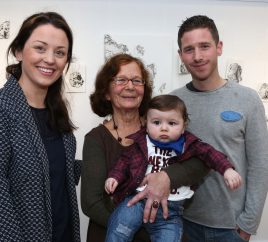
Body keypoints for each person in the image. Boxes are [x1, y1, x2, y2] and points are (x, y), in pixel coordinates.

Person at [0, 12, 81, 242]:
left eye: (60, 52)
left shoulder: (57, 116)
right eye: (40, 48)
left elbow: (55, 180)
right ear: (19, 51)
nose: (50, 59)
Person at [81, 53, 209, 242]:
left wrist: (166, 177)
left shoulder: (164, 129)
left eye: (136, 80)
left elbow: (200, 163)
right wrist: (132, 229)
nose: (130, 86)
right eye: (121, 80)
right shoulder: (95, 139)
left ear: (144, 91)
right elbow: (91, 203)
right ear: (106, 92)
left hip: (165, 228)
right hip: (113, 232)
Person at [170, 15, 268, 241]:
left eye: (204, 46)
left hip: (230, 228)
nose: (197, 56)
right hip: (182, 223)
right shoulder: (173, 102)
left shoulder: (248, 99)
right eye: (189, 49)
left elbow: (259, 167)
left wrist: (247, 226)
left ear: (219, 47)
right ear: (180, 55)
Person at [104, 94, 242, 242]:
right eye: (156, 122)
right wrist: (114, 177)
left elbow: (211, 154)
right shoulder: (142, 142)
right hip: (137, 202)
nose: (164, 128)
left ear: (183, 126)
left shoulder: (189, 144)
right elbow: (124, 161)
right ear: (146, 123)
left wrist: (227, 170)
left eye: (172, 123)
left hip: (170, 212)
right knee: (119, 230)